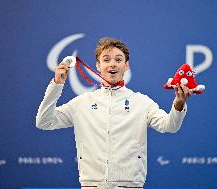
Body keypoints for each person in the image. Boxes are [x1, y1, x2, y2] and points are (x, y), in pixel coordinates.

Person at [36, 37, 191, 189]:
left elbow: (170, 126)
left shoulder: (141, 102)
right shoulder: (81, 103)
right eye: (106, 59)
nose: (112, 64)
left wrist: (178, 103)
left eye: (118, 60)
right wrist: (57, 85)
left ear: (126, 65)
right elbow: (44, 122)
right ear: (98, 65)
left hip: (130, 185)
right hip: (91, 185)